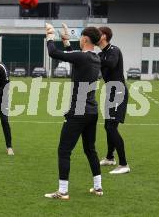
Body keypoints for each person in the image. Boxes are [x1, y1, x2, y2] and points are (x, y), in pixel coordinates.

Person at [43, 23, 103, 200]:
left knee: (64, 151)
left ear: (84, 39)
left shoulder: (82, 57)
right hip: (92, 110)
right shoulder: (95, 58)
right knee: (90, 149)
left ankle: (62, 191)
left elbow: (54, 53)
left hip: (78, 111)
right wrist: (67, 41)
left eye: (81, 37)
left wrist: (50, 35)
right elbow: (76, 57)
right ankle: (98, 187)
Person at [97, 26, 131, 174]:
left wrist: (96, 59)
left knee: (111, 127)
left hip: (118, 91)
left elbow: (111, 63)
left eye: (97, 34)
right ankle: (110, 158)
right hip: (110, 91)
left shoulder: (113, 50)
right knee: (108, 126)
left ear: (104, 36)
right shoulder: (101, 53)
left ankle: (124, 165)